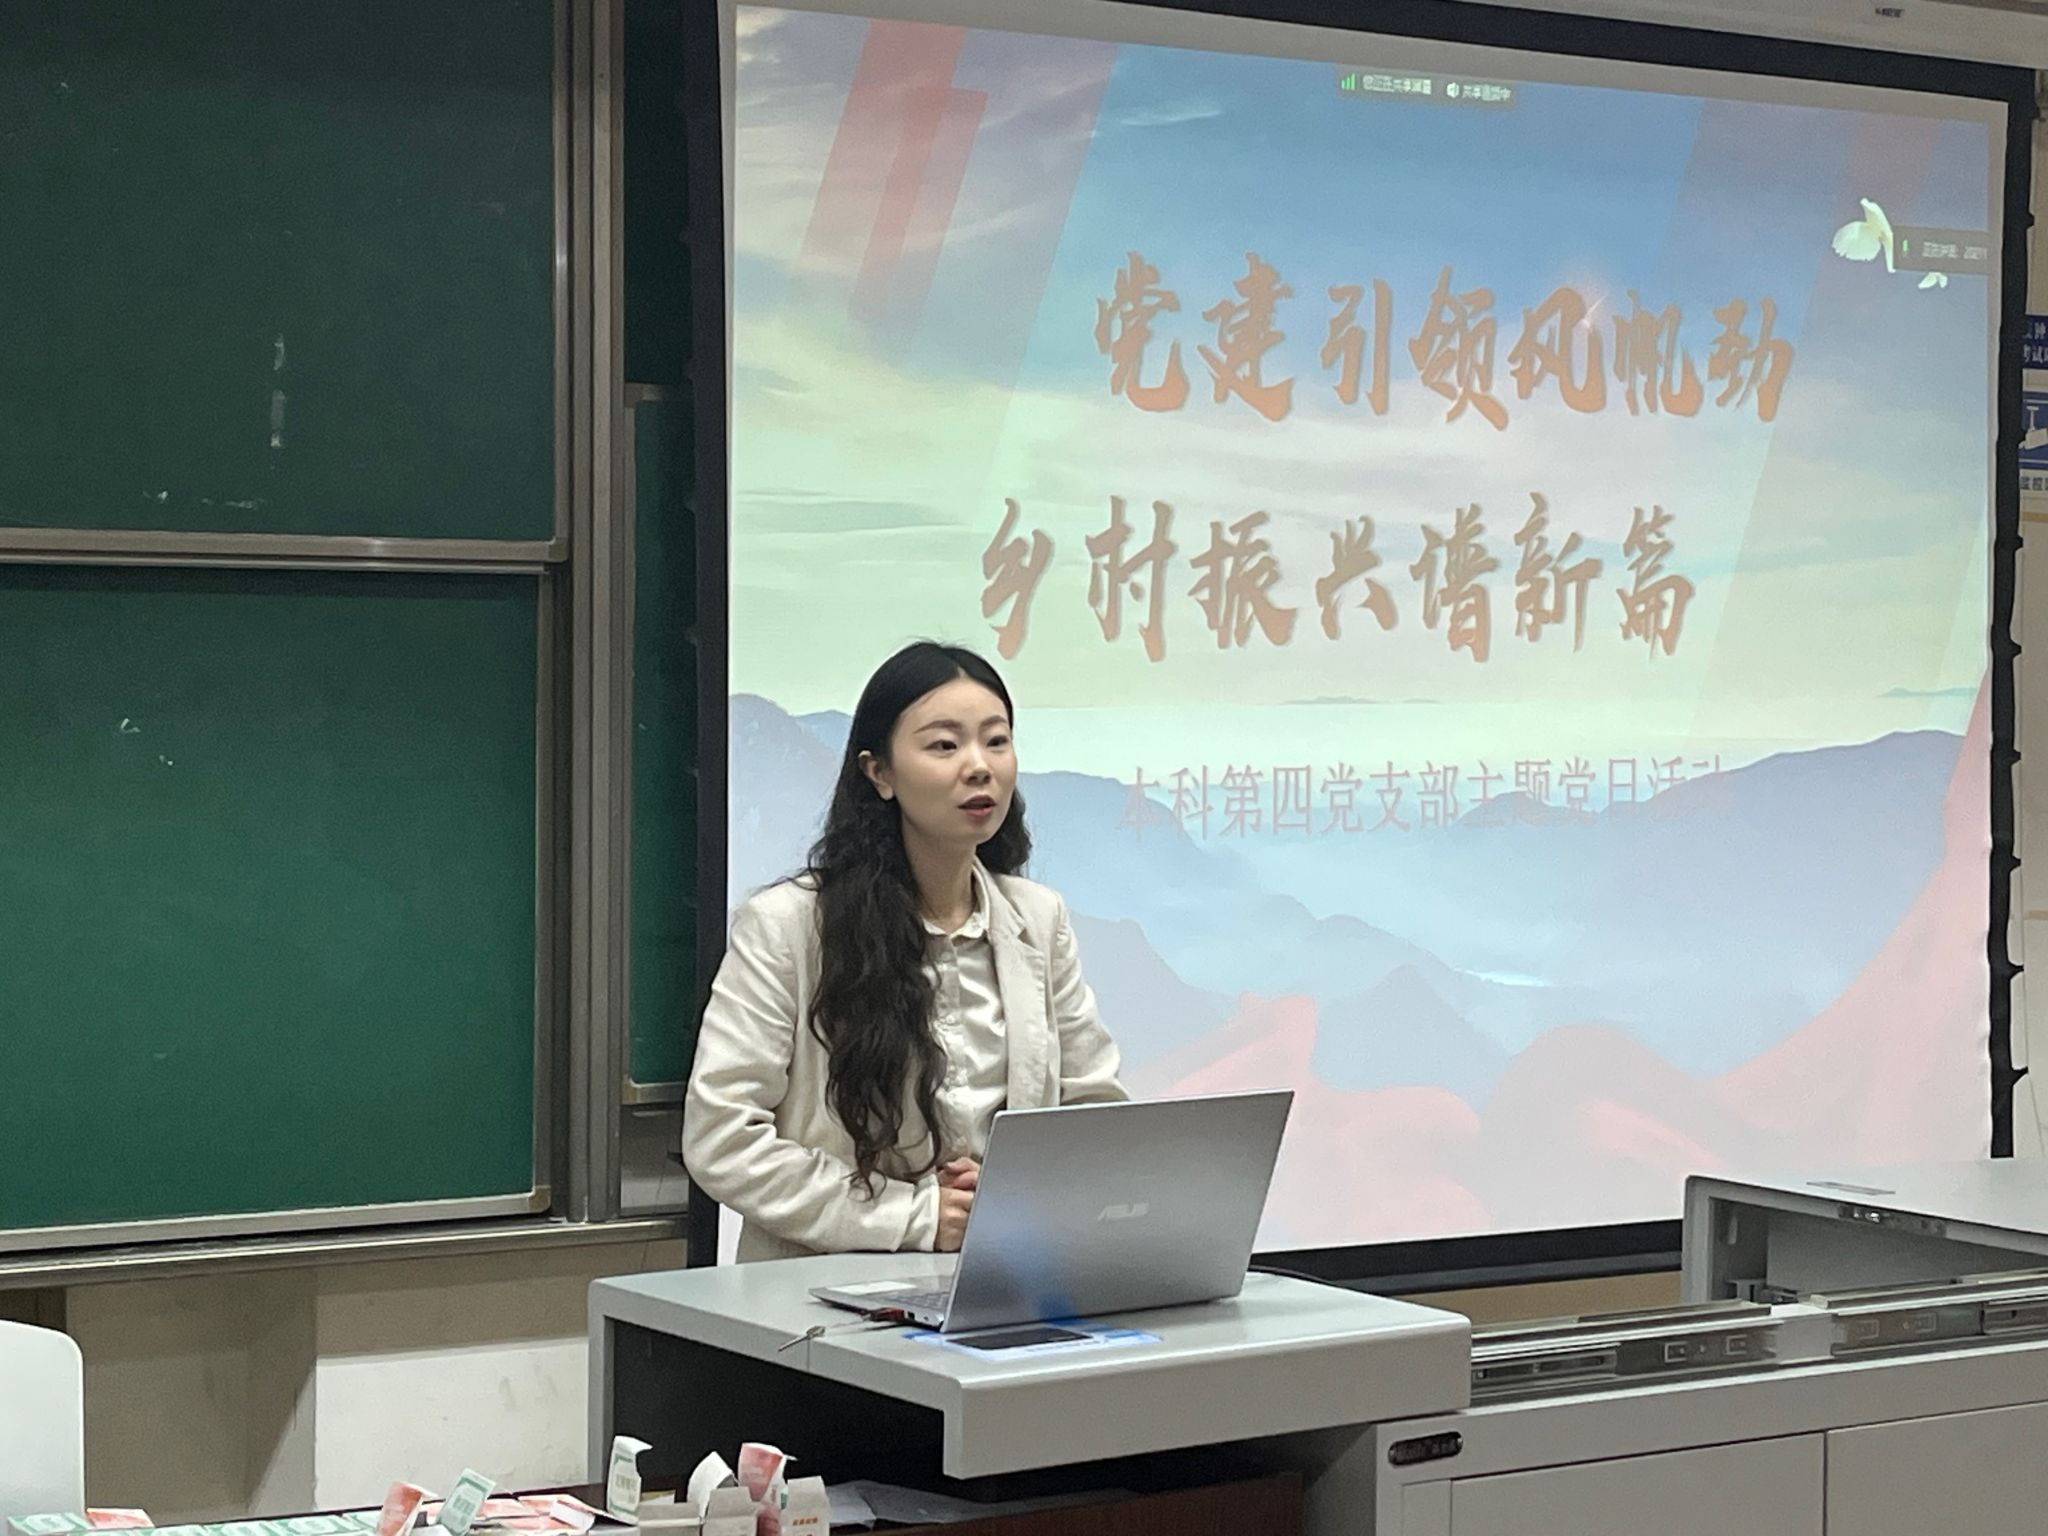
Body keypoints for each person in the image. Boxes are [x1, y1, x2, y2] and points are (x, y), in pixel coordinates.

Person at [684, 642, 1126, 1261]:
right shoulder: (788, 926)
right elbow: (723, 1139)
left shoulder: (1037, 917)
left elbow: (1093, 1111)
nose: (980, 766)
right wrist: (915, 1217)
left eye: (996, 741)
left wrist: (1012, 1190)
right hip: (822, 1288)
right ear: (879, 773)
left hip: (1003, 1274)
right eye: (944, 745)